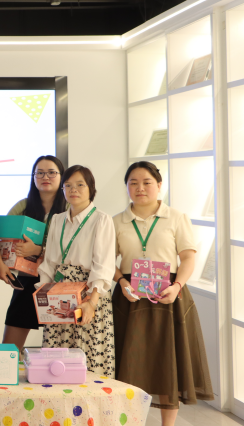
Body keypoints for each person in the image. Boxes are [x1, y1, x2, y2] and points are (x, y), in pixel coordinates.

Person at [112, 162, 213, 425]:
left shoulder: (176, 217)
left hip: (168, 294)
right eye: (133, 183)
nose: (140, 188)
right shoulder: (116, 221)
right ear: (126, 187)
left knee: (169, 360)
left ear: (159, 185)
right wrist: (121, 282)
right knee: (130, 361)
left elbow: (187, 258)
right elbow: (107, 261)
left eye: (146, 182)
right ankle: (131, 420)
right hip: (130, 296)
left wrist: (176, 286)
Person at [36, 165, 116, 377]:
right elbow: (49, 262)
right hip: (58, 292)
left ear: (91, 188)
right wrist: (43, 294)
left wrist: (92, 302)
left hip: (88, 294)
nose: (74, 190)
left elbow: (103, 266)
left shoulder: (101, 220)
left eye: (80, 185)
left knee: (87, 354)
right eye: (68, 185)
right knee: (56, 356)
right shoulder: (57, 219)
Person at [0, 155, 68, 355]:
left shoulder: (69, 207)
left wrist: (39, 250)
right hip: (27, 279)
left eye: (51, 172)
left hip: (59, 281)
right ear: (33, 177)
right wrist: (1, 264)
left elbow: (74, 247)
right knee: (10, 349)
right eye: (40, 173)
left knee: (59, 347)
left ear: (61, 176)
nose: (45, 177)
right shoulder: (24, 205)